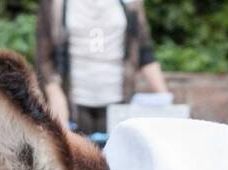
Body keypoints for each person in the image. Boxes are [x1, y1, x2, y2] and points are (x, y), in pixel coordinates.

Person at [34, 0, 169, 136]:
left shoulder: (130, 2)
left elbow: (144, 51)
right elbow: (43, 57)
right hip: (73, 104)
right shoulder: (55, 3)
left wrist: (166, 101)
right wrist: (54, 94)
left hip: (118, 101)